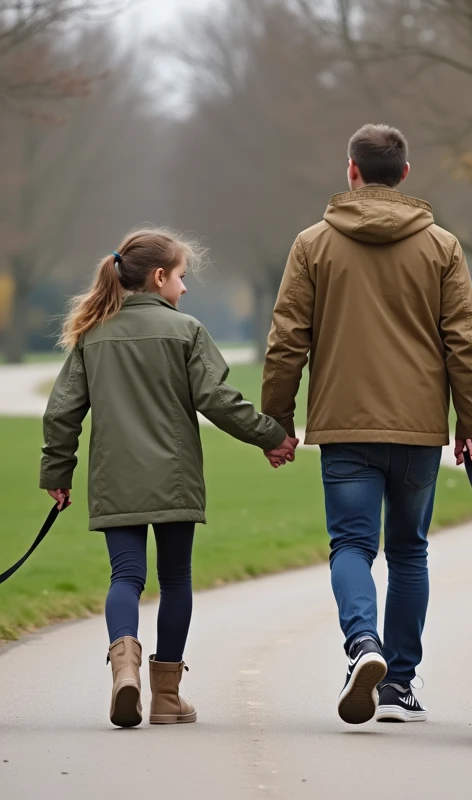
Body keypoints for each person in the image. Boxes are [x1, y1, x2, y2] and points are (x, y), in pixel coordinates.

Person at [262, 124, 472, 725]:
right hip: (418, 429)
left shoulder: (312, 244)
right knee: (409, 553)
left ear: (351, 170)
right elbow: (465, 340)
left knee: (351, 546)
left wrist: (277, 422)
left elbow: (288, 340)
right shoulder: (442, 246)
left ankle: (364, 645)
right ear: (405, 174)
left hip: (343, 425)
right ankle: (398, 687)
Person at [39, 228, 298, 729]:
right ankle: (166, 698)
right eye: (181, 277)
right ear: (159, 277)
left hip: (114, 478)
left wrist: (58, 470)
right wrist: (270, 435)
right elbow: (218, 399)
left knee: (125, 577)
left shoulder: (93, 334)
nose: (185, 288)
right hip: (175, 479)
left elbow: (61, 412)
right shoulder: (186, 331)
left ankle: (124, 670)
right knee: (175, 579)